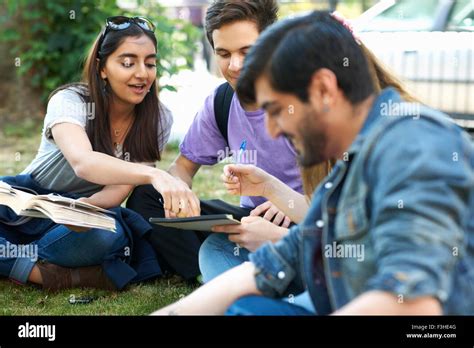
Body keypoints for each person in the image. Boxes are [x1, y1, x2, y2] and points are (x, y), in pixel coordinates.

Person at [152, 10, 474, 315]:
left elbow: (414, 304)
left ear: (323, 89)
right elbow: (269, 265)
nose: (272, 128)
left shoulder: (413, 145)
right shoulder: (346, 172)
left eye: (277, 110)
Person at [0, 16, 198, 291]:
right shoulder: (70, 101)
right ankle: (46, 273)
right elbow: (83, 162)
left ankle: (13, 259)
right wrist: (153, 174)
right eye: (128, 63)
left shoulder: (158, 118)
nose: (142, 73)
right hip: (29, 205)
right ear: (102, 68)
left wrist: (85, 209)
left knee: (108, 235)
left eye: (150, 63)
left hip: (84, 211)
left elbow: (117, 191)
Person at [126, 0, 307, 283]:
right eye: (223, 53)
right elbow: (183, 168)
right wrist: (176, 193)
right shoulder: (222, 101)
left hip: (307, 219)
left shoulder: (309, 97)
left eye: (247, 51)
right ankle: (203, 274)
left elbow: (346, 189)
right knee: (147, 197)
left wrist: (288, 201)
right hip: (249, 218)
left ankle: (234, 273)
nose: (235, 65)